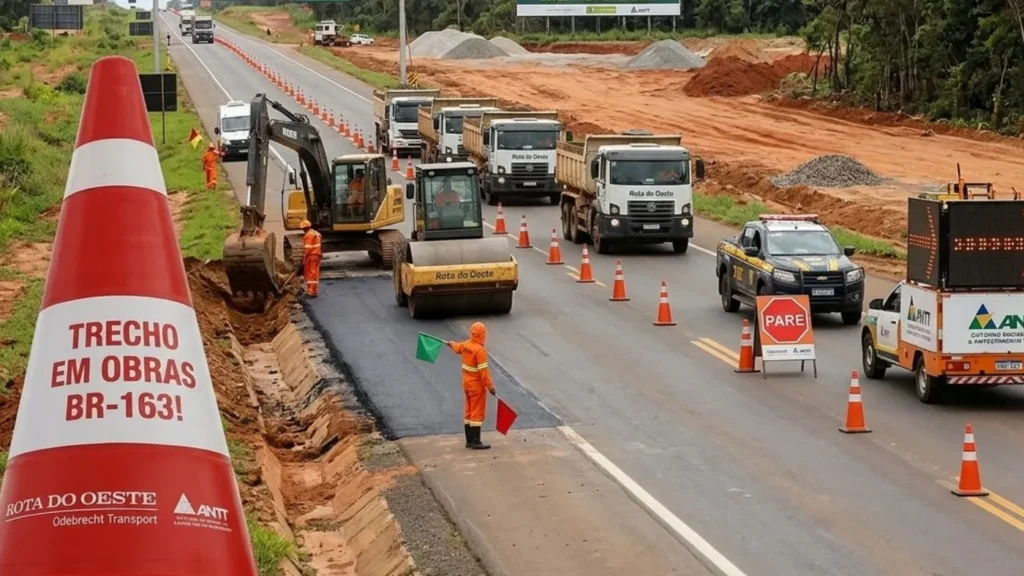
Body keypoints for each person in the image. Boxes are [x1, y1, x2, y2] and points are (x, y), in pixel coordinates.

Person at [447, 322, 497, 450]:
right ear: (483, 334)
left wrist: (451, 344)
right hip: (476, 386)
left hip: (466, 384)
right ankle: (475, 441)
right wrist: (490, 386)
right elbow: (483, 372)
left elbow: (457, 347)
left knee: (469, 410)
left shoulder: (466, 345)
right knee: (477, 412)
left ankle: (469, 440)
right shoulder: (479, 350)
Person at [300, 220, 322, 298]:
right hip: (316, 255)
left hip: (312, 255)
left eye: (303, 229)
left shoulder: (309, 235)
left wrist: (304, 256)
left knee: (311, 273)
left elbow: (308, 248)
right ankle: (314, 290)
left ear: (305, 228)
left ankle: (311, 292)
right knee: (314, 273)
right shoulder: (316, 233)